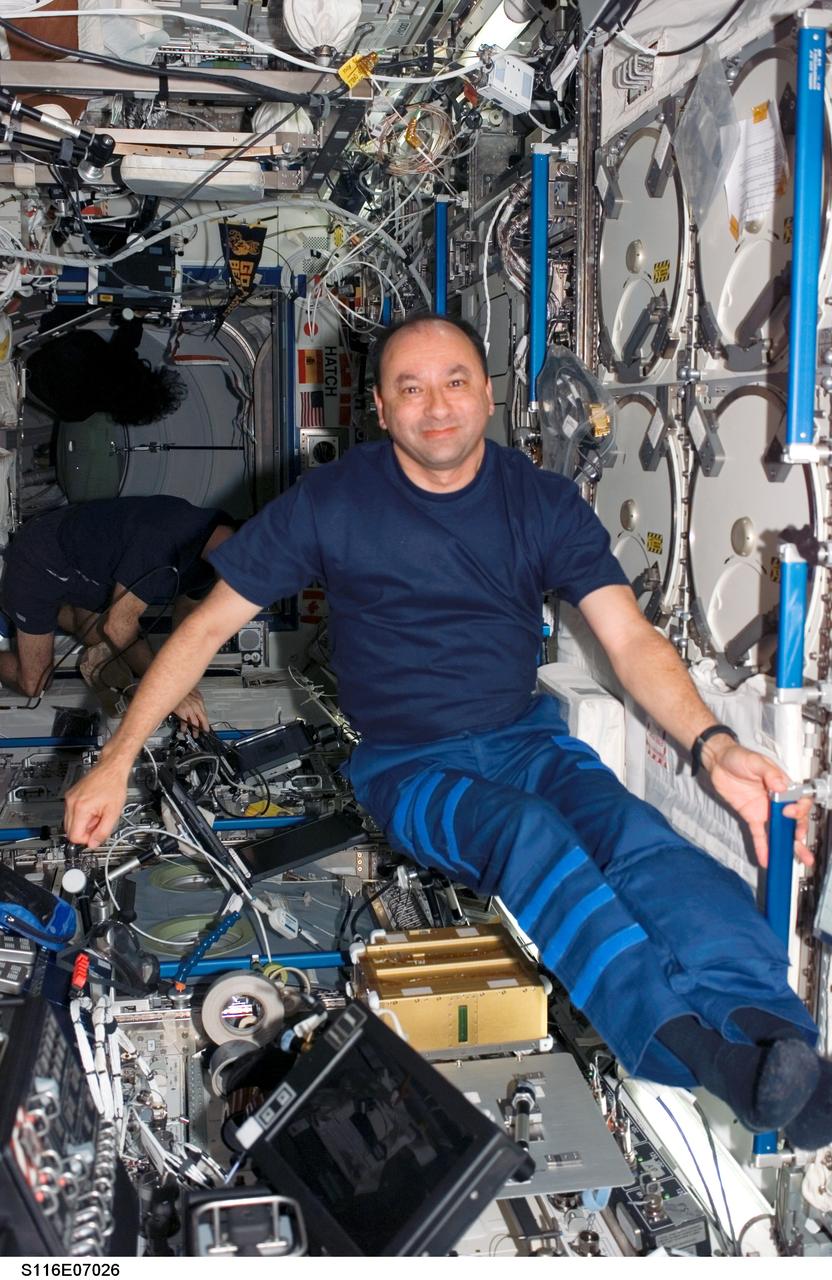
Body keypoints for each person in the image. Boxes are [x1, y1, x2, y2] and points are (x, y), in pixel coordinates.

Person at [64, 315, 831, 1149]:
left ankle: (771, 1036)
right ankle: (703, 1060)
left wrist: (713, 748)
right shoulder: (331, 502)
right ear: (382, 412)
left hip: (528, 741)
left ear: (488, 395)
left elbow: (631, 640)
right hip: (407, 772)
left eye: (455, 381)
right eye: (411, 388)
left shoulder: (540, 503)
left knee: (636, 840)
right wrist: (116, 758)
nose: (437, 407)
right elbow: (207, 627)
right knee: (529, 834)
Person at [0, 494, 235, 727]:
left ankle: (32, 605)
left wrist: (184, 681)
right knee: (35, 683)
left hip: (88, 574)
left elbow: (187, 609)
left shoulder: (216, 557)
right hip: (42, 559)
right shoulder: (166, 536)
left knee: (107, 639)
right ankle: (22, 597)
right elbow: (119, 626)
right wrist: (168, 689)